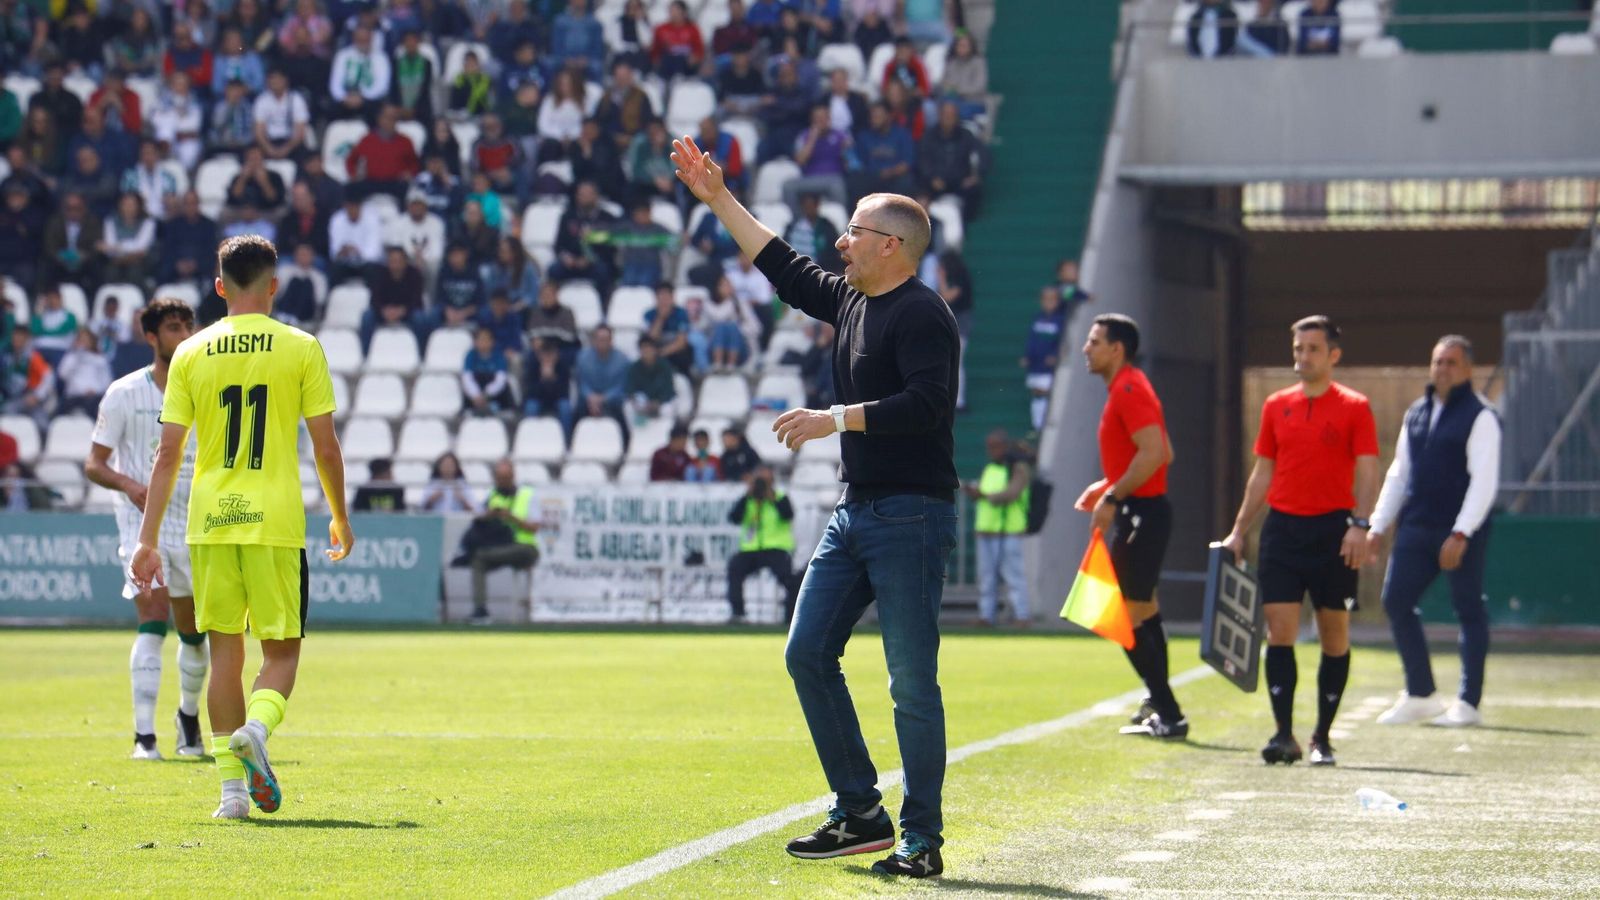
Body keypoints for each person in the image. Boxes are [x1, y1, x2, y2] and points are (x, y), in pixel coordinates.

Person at [673, 134, 958, 877]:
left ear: (891, 246)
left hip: (911, 515)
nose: (840, 240)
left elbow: (927, 405)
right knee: (805, 653)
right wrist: (719, 198)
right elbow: (783, 267)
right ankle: (861, 811)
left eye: (855, 230)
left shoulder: (923, 315)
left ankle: (921, 840)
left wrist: (833, 418)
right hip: (857, 511)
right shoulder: (853, 299)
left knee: (911, 683)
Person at [131, 235, 354, 820]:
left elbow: (167, 455)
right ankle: (257, 728)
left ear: (219, 285)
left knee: (223, 654)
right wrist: (340, 515)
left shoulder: (190, 353)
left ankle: (231, 796)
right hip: (274, 522)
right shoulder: (302, 347)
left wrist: (148, 539)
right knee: (281, 654)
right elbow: (326, 448)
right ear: (274, 284)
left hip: (209, 523)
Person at [1219, 315, 1378, 767]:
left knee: (1334, 635)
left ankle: (1322, 737)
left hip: (1334, 532)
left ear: (1333, 355)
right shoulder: (1275, 405)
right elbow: (1262, 472)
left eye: (1312, 348)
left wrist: (1360, 524)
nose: (1302, 357)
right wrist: (1238, 530)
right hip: (1283, 531)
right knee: (1279, 631)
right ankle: (1282, 734)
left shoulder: (1355, 406)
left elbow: (1368, 469)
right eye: (1297, 348)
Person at [85, 298, 208, 762]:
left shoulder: (205, 387)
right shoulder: (122, 393)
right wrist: (129, 484)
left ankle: (188, 719)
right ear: (151, 337)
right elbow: (94, 464)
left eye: (188, 326)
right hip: (141, 526)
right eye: (174, 327)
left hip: (197, 523)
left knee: (195, 631)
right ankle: (144, 737)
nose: (184, 334)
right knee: (153, 619)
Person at [1368, 336, 1500, 728]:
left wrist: (1461, 533)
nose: (1443, 369)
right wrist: (1377, 524)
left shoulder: (1481, 416)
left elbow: (1484, 482)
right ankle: (1421, 693)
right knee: (1396, 601)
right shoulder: (1417, 412)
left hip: (1458, 530)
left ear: (1468, 369)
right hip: (1416, 526)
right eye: (1438, 361)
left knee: (1468, 610)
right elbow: (1399, 473)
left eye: (1452, 363)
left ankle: (1468, 703)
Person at [1073, 314, 1187, 738]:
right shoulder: (1130, 385)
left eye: (1094, 341)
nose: (1087, 348)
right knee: (1144, 610)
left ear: (1116, 349)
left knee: (1125, 614)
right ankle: (1159, 703)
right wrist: (1107, 485)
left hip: (1141, 513)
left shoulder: (1127, 388)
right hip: (1144, 511)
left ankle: (1171, 714)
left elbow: (1155, 452)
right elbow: (1162, 452)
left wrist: (1113, 496)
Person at [964, 429, 1031, 628]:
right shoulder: (990, 469)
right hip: (986, 530)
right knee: (986, 577)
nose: (991, 451)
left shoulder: (1018, 468)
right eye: (989, 447)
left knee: (1013, 575)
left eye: (995, 446)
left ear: (1005, 446)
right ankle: (987, 615)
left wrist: (984, 496)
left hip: (1009, 530)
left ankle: (1022, 614)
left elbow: (1012, 493)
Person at [468, 459, 541, 624]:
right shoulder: (492, 495)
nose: (503, 482)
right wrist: (490, 514)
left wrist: (512, 518)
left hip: (525, 548)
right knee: (478, 559)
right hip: (500, 545)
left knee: (482, 556)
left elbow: (535, 527)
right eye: (500, 478)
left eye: (506, 478)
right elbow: (478, 516)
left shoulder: (527, 494)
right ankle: (480, 610)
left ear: (513, 476)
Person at [725, 465, 798, 623]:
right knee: (735, 567)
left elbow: (788, 515)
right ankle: (738, 613)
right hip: (751, 549)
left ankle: (791, 617)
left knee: (790, 580)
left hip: (776, 548)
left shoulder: (779, 497)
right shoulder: (749, 499)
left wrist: (771, 497)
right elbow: (734, 517)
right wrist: (748, 494)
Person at [1021, 285, 1066, 432]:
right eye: (1046, 299)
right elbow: (1031, 340)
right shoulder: (1037, 318)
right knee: (1036, 392)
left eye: (1052, 299)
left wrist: (1054, 355)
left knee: (1045, 390)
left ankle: (1045, 423)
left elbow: (1062, 341)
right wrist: (1027, 356)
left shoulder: (1060, 320)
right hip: (1035, 363)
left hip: (1048, 365)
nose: (1049, 303)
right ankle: (1037, 424)